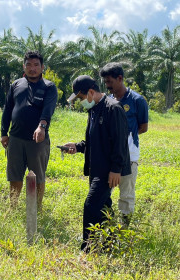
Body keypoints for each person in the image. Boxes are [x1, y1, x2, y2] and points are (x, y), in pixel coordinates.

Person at [63, 75, 131, 251]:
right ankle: (109, 243)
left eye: (81, 98)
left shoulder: (113, 109)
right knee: (104, 206)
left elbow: (120, 143)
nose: (81, 102)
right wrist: (77, 147)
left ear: (91, 92)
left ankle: (88, 247)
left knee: (91, 205)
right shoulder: (93, 110)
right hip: (96, 167)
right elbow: (95, 141)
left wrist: (116, 169)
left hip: (107, 170)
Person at [0, 50, 58, 210]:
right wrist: (4, 133)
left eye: (36, 65)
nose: (32, 68)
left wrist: (42, 127)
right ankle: (13, 207)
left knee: (38, 176)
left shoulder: (49, 87)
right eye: (29, 65)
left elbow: (48, 110)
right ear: (23, 66)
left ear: (42, 67)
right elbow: (7, 110)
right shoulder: (16, 85)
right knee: (14, 175)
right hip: (16, 138)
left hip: (37, 140)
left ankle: (36, 208)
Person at [100, 62, 148, 227]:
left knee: (126, 195)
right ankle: (105, 226)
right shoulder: (108, 100)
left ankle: (124, 229)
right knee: (105, 192)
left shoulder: (137, 100)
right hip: (110, 156)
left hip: (129, 156)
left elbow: (143, 127)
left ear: (120, 78)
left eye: (110, 82)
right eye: (105, 83)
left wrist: (123, 139)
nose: (107, 86)